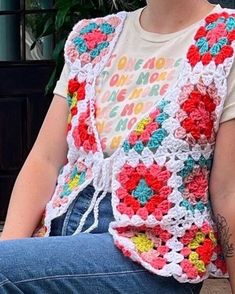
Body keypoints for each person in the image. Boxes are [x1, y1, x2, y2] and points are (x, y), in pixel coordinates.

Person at [1, 0, 235, 293]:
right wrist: (11, 252)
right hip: (57, 236)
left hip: (153, 257)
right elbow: (45, 160)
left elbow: (229, 190)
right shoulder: (92, 40)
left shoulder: (226, 40)